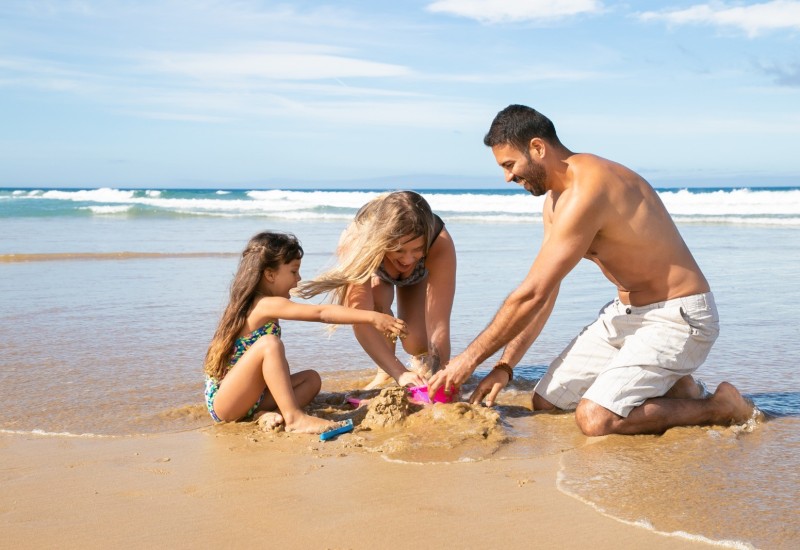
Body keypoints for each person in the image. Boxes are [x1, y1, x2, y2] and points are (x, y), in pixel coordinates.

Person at [428, 104, 753, 436]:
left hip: (679, 317)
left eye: (510, 165)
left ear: (538, 148)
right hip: (628, 315)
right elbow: (545, 291)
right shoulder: (555, 203)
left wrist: (466, 362)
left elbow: (530, 294)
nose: (507, 177)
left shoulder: (591, 188)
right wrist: (504, 367)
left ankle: (721, 406)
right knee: (547, 402)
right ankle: (676, 388)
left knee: (595, 418)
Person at [203, 231, 408, 433]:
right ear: (270, 274)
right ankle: (294, 418)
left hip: (251, 398)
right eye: (293, 271)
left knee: (311, 379)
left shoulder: (262, 304)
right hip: (226, 402)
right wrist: (372, 316)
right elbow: (321, 313)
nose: (298, 279)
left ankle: (266, 413)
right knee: (269, 344)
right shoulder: (264, 304)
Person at [297, 191, 456, 389]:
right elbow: (361, 320)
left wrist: (440, 375)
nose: (407, 260)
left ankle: (421, 366)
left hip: (417, 277)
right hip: (375, 265)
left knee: (416, 342)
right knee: (377, 304)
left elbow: (439, 324)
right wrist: (400, 373)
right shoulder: (358, 241)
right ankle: (385, 373)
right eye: (398, 250)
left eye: (417, 250)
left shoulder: (438, 241)